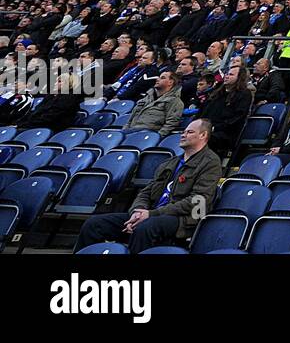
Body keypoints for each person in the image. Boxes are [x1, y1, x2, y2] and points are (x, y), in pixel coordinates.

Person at [74, 119, 221, 254]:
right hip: (151, 214)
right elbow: (146, 192)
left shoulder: (210, 162)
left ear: (203, 135)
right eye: (183, 131)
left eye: (189, 132)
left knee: (146, 228)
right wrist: (137, 212)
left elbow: (198, 201)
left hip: (183, 219)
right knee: (94, 224)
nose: (183, 135)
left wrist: (152, 214)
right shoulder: (170, 163)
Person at [199, 63, 252, 158]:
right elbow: (203, 112)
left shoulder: (244, 94)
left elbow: (237, 117)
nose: (227, 76)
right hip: (206, 129)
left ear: (240, 78)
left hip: (225, 133)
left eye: (231, 75)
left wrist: (214, 128)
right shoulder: (216, 93)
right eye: (227, 74)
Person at [126, 68, 184, 136]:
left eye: (162, 78)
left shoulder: (174, 101)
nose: (157, 79)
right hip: (131, 131)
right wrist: (124, 130)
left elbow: (172, 122)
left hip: (148, 133)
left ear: (170, 82)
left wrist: (157, 137)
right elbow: (130, 119)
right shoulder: (146, 98)